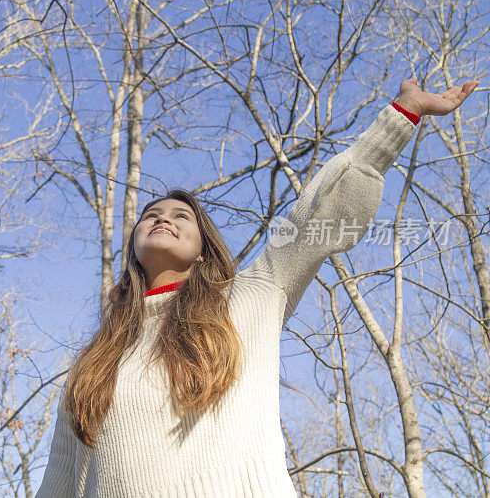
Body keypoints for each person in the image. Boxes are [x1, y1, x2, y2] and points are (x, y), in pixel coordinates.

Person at [35, 78, 479, 497]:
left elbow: (316, 216)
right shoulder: (93, 364)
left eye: (181, 215)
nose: (163, 217)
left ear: (203, 251)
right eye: (151, 214)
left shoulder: (251, 296)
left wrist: (402, 116)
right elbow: (58, 482)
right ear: (133, 246)